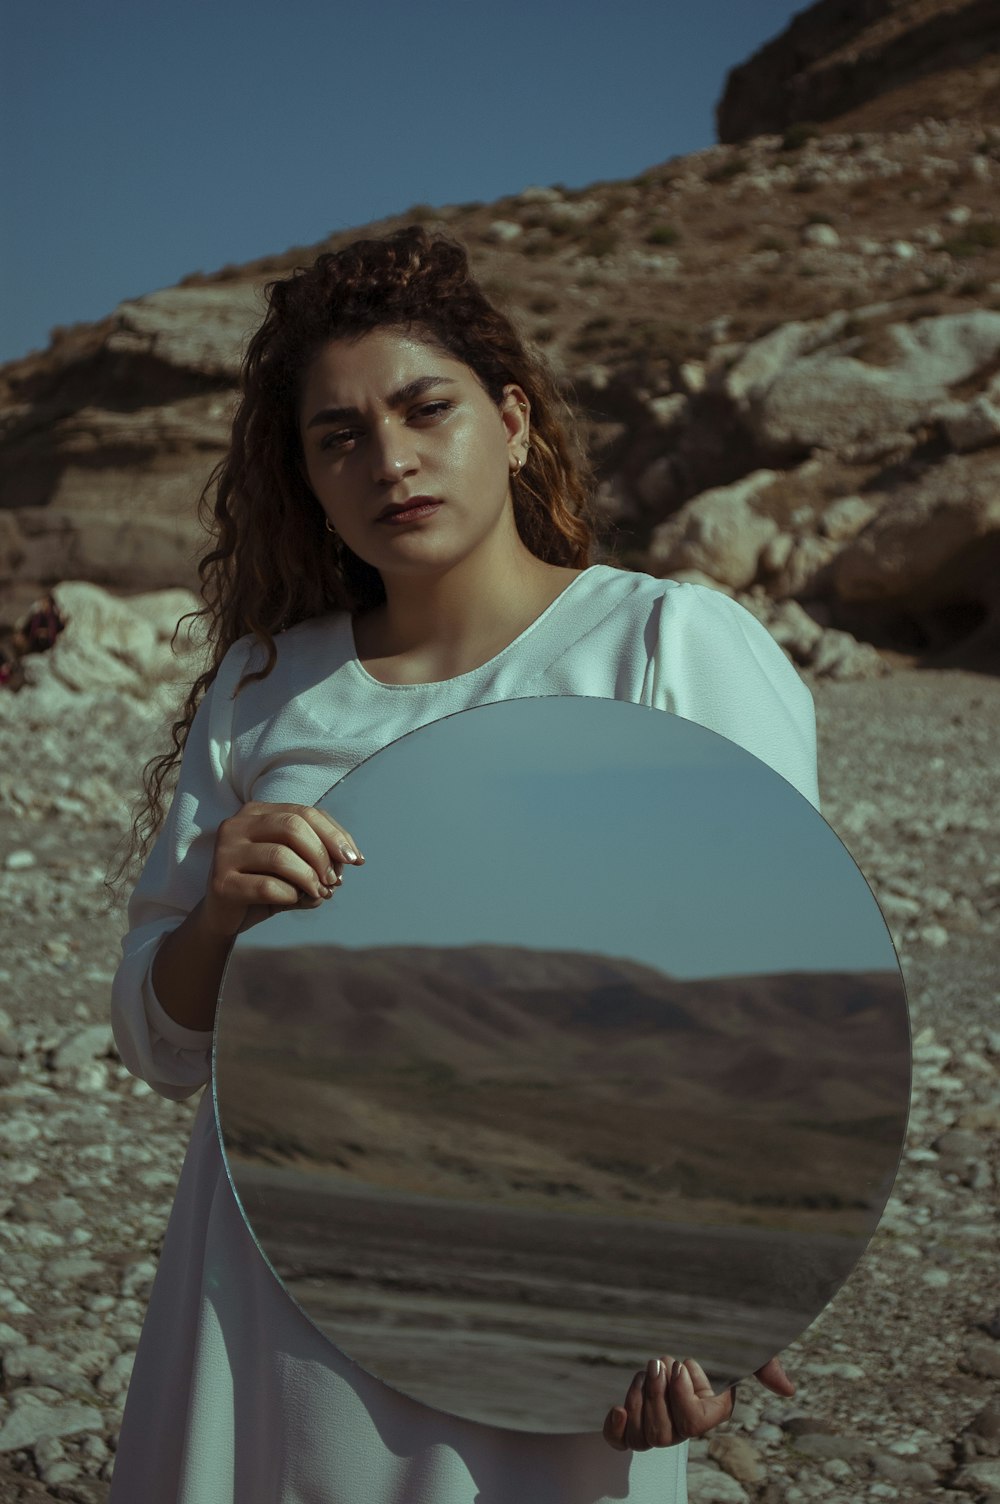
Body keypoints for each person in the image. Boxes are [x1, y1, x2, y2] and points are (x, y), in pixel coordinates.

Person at [107, 225, 818, 1503]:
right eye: (338, 437)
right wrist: (217, 918)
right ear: (307, 477)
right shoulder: (267, 685)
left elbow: (781, 1003)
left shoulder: (664, 644)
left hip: (552, 1279)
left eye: (424, 409)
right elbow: (161, 1046)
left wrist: (725, 1298)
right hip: (274, 1278)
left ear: (514, 420)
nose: (389, 460)